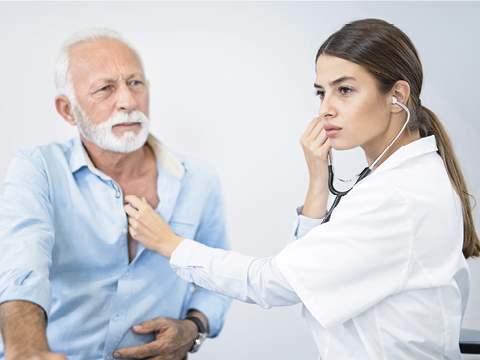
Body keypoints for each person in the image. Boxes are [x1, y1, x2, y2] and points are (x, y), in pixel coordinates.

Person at [123, 18, 480, 360]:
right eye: (321, 92)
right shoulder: (399, 177)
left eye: (345, 90)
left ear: (397, 95)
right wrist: (316, 183)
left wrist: (170, 245)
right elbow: (303, 266)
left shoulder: (397, 196)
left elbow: (275, 282)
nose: (325, 109)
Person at [0, 28, 231, 360]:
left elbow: (220, 277)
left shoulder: (199, 178)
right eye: (105, 88)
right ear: (67, 110)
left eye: (135, 83)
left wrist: (193, 328)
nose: (128, 101)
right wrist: (25, 346)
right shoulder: (37, 168)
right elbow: (21, 266)